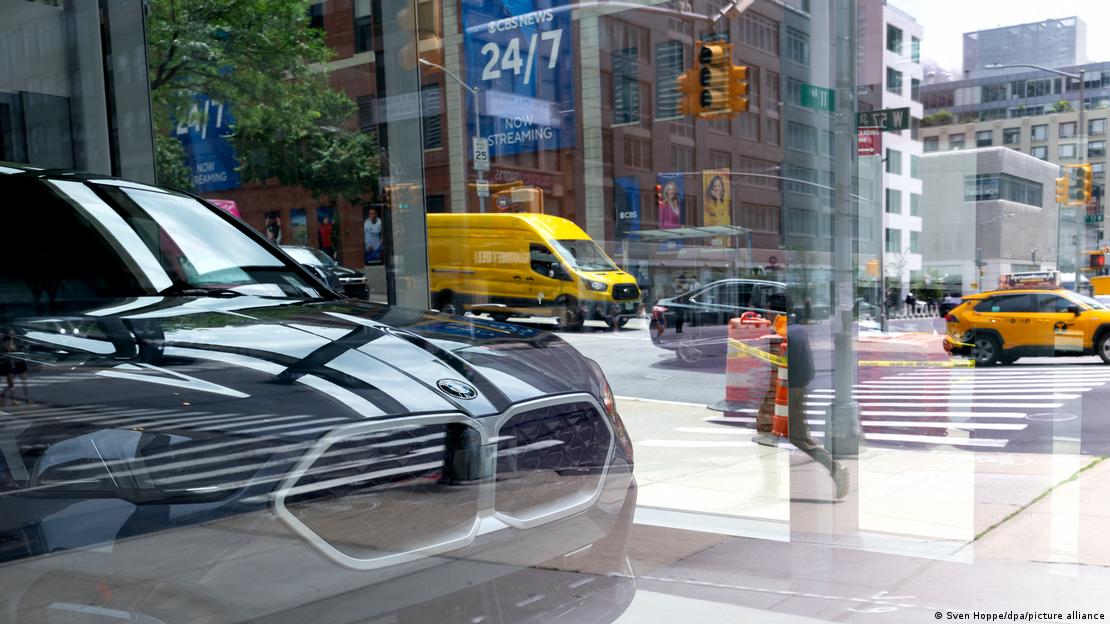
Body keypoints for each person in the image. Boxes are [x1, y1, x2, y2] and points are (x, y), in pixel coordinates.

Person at [784, 299, 850, 500]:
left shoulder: (784, 334)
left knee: (797, 436)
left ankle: (835, 468)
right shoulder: (798, 330)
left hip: (789, 389)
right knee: (800, 434)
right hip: (798, 386)